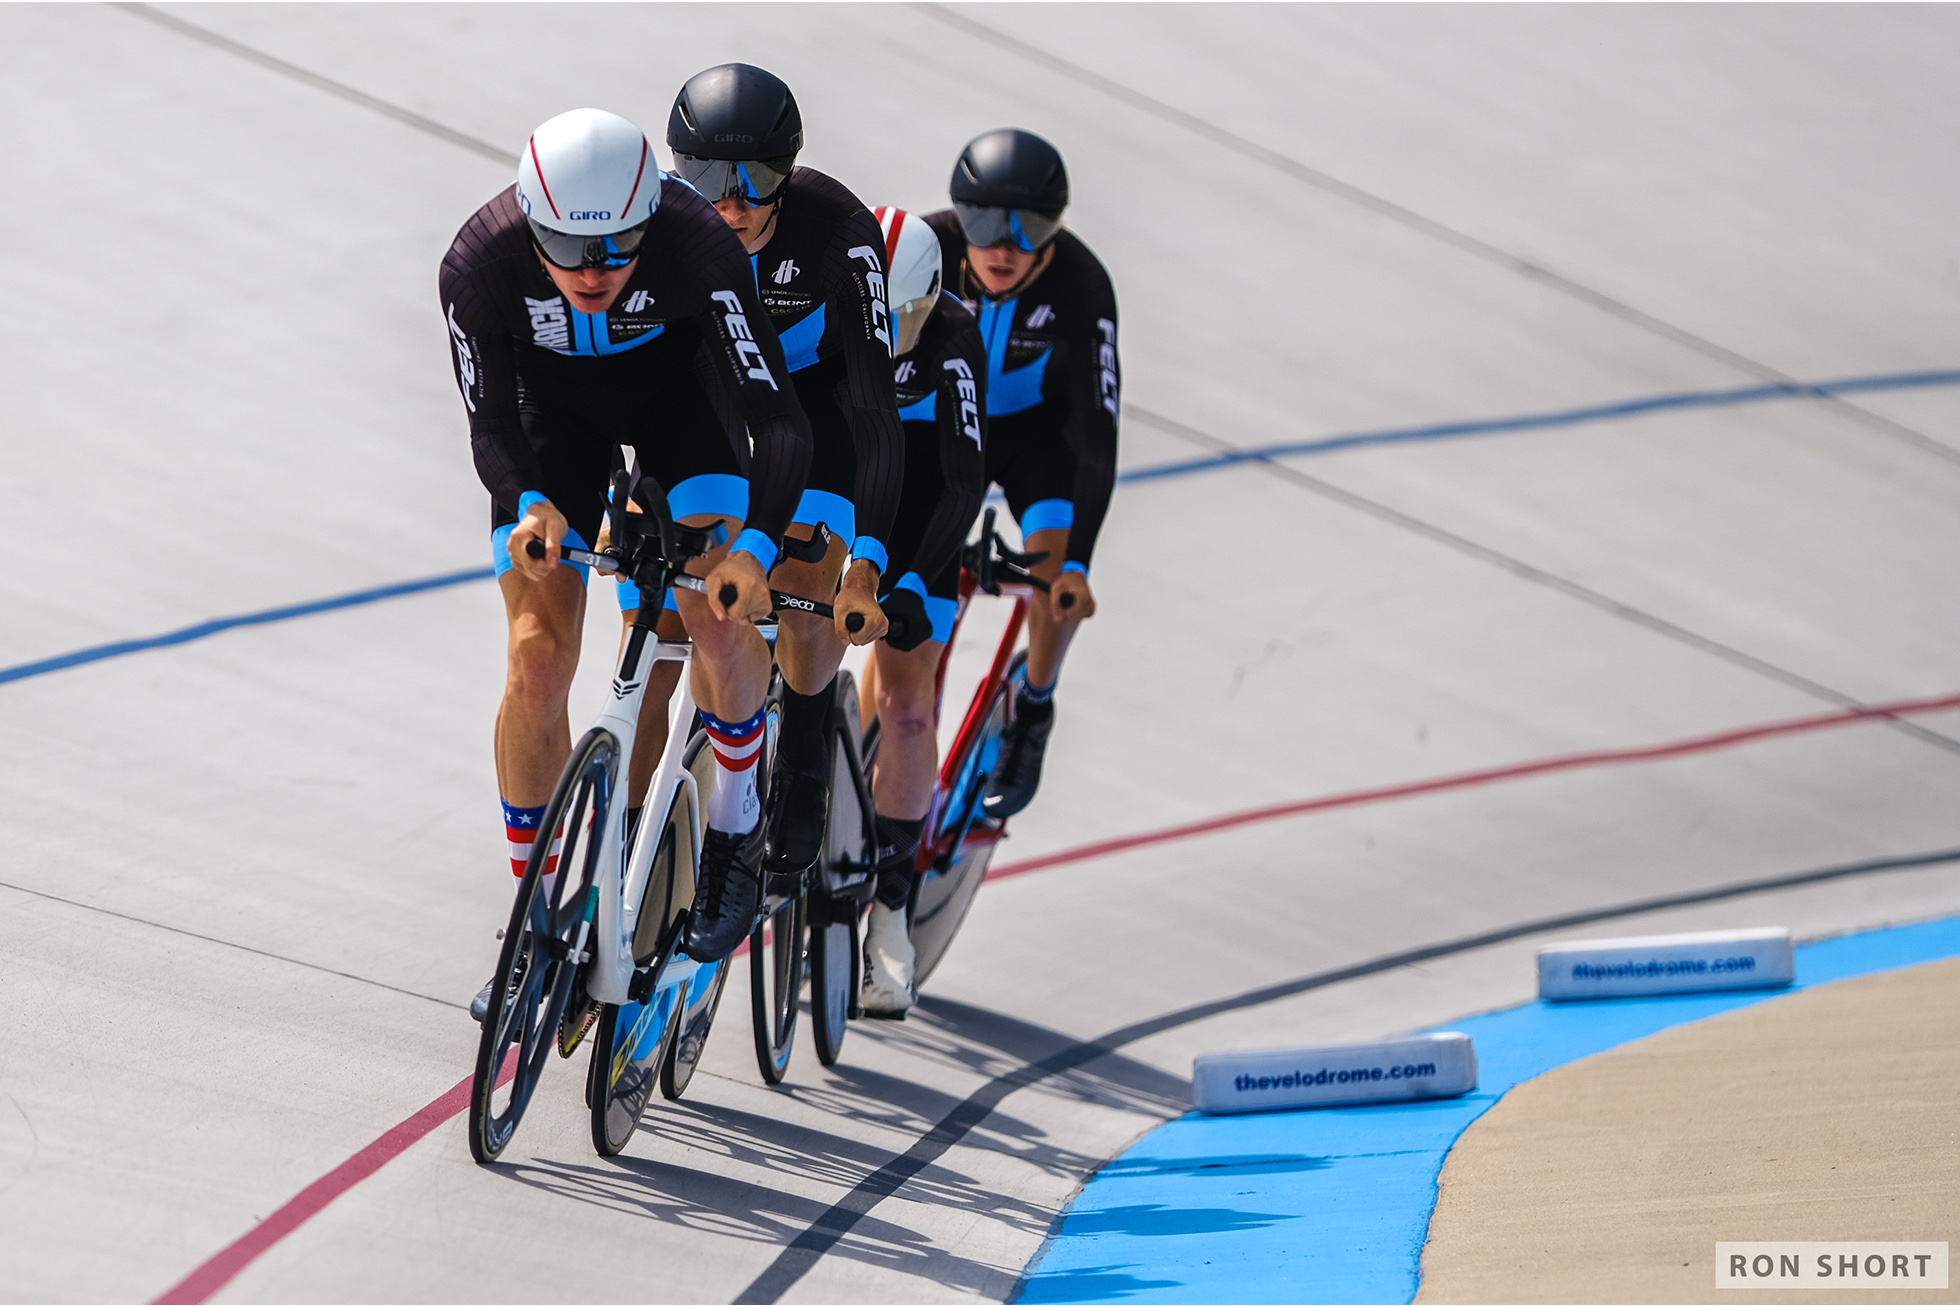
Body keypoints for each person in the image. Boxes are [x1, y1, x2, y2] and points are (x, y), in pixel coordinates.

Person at [439, 107, 812, 1008]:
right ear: (531, 223)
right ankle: (536, 914)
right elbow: (490, 425)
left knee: (715, 614)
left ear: (655, 212)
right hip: (551, 416)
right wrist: (530, 503)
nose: (595, 271)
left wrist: (756, 550)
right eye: (568, 248)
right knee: (537, 654)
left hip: (681, 405)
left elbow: (779, 422)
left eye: (619, 247)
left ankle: (734, 833)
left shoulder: (698, 247)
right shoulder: (476, 265)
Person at [663, 64, 902, 894]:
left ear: (789, 174)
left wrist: (865, 559)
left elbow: (875, 411)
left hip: (820, 402)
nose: (727, 204)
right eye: (703, 180)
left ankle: (802, 751)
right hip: (716, 401)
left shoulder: (840, 234)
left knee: (804, 583)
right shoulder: (655, 224)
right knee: (672, 585)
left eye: (753, 182)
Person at [923, 129, 1119, 819]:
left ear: (1055, 230)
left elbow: (1098, 431)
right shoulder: (924, 252)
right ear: (956, 218)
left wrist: (1078, 570)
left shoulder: (1082, 284)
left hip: (1042, 436)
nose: (1004, 248)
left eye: (1028, 229)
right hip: (953, 425)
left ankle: (1034, 705)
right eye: (983, 225)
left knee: (1053, 561)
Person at [854, 207, 987, 1016]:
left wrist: (909, 582)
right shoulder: (829, 300)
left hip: (918, 511)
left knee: (908, 704)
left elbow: (963, 479)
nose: (887, 334)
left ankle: (890, 909)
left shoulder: (951, 335)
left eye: (901, 321)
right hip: (839, 492)